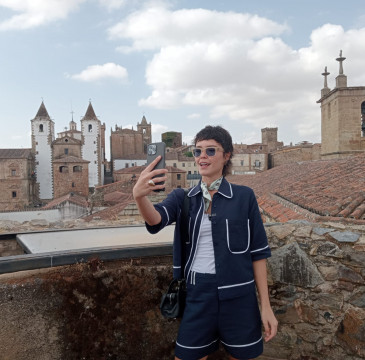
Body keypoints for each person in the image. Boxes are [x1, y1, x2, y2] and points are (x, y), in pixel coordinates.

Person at [133, 125, 278, 360]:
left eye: (211, 151)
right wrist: (139, 197)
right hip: (198, 293)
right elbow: (156, 220)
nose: (202, 156)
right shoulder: (183, 198)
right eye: (197, 151)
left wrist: (266, 306)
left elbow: (258, 253)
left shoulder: (244, 197)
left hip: (239, 294)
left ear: (227, 155)